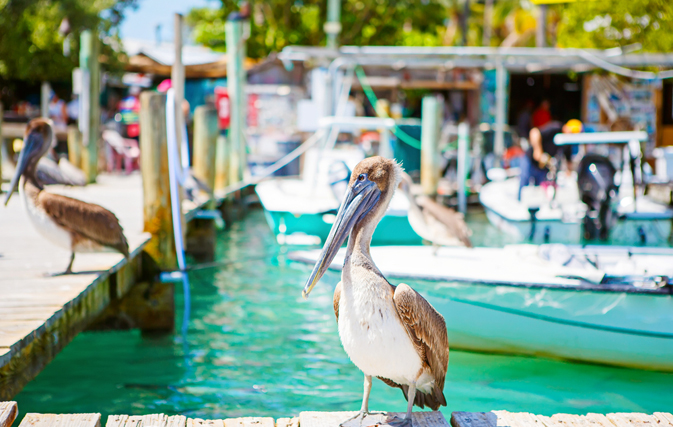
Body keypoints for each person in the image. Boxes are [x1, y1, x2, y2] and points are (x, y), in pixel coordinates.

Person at [518, 119, 582, 200]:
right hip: (530, 160)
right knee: (524, 186)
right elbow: (534, 132)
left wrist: (571, 175)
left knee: (538, 191)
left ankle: (534, 209)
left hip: (543, 166)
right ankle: (519, 204)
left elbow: (568, 160)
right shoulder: (556, 128)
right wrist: (538, 150)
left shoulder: (567, 142)